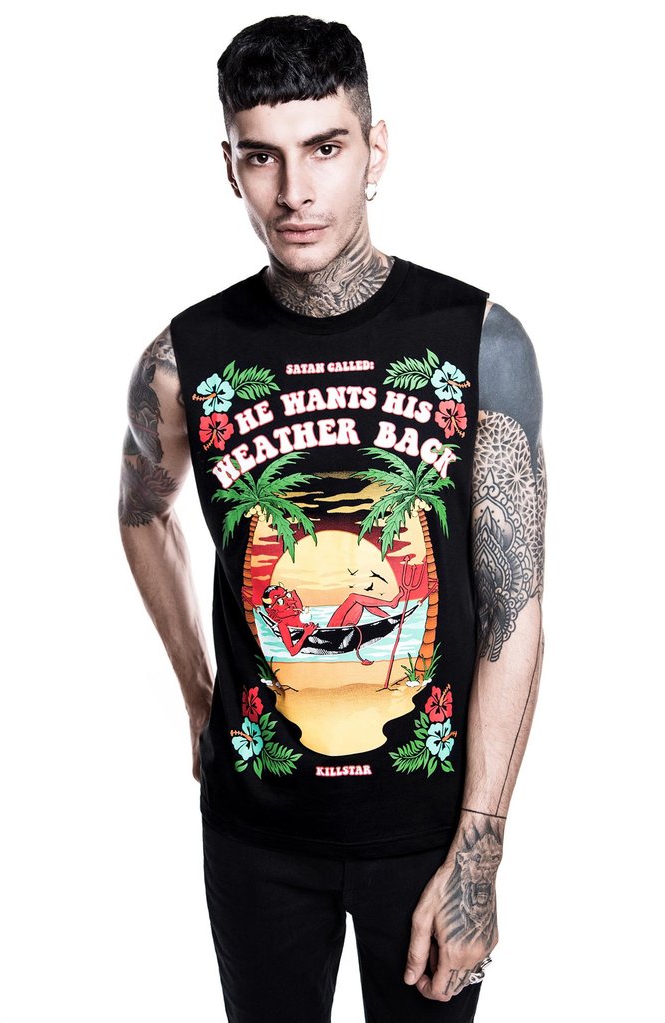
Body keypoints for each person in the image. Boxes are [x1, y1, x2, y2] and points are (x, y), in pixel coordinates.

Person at [118, 14, 546, 1023]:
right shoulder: (184, 357)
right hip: (256, 832)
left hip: (429, 831)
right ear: (230, 166)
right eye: (261, 156)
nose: (294, 192)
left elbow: (516, 605)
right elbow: (143, 515)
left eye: (324, 148)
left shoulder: (480, 341)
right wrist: (197, 694)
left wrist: (479, 851)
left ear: (374, 149)